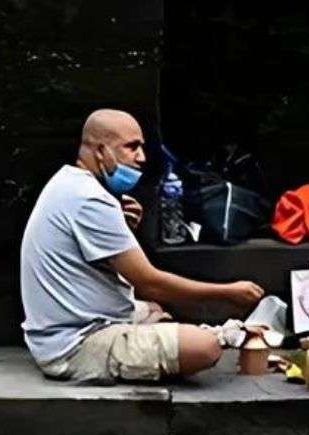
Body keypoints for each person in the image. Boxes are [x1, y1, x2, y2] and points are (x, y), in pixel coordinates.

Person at [20, 108, 265, 383]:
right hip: (74, 345)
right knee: (204, 347)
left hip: (60, 331)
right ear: (101, 150)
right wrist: (227, 293)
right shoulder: (90, 200)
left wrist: (120, 225)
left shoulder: (70, 184)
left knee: (155, 310)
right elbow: (149, 282)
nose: (142, 157)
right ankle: (211, 337)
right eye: (131, 147)